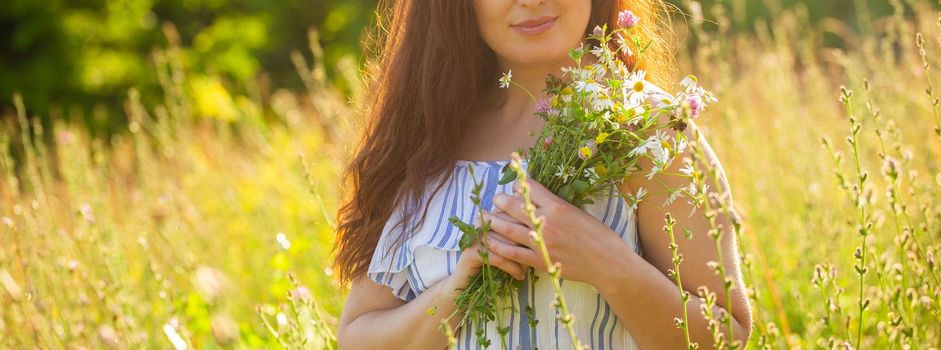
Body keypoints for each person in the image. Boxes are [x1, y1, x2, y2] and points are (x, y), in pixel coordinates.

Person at [333, 0, 752, 348]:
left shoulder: (648, 130)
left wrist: (605, 261)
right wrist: (457, 290)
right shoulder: (429, 137)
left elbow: (727, 335)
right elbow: (356, 337)